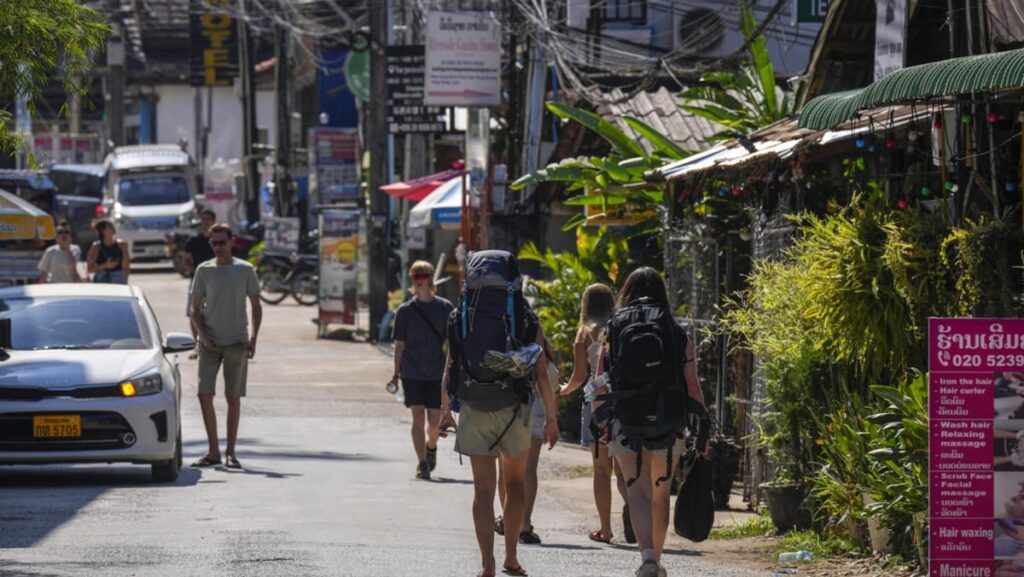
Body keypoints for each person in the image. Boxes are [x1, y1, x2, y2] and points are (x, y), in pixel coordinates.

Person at [441, 251, 559, 577]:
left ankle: (486, 564)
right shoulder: (524, 315)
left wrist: (444, 411)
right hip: (515, 407)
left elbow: (451, 365)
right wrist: (551, 418)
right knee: (516, 483)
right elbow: (541, 372)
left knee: (482, 490)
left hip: (474, 403)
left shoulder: (460, 315)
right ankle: (510, 556)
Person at [596, 267, 707, 577]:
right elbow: (692, 383)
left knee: (638, 492)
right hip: (669, 421)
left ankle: (646, 558)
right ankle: (656, 562)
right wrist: (702, 424)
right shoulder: (674, 329)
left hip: (625, 419)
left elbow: (599, 380)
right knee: (660, 494)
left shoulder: (614, 328)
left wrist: (600, 421)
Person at [557, 283, 632, 544]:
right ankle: (637, 512)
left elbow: (579, 377)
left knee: (601, 470)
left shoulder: (585, 333)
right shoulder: (618, 326)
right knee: (625, 470)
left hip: (597, 404)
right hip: (623, 404)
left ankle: (606, 529)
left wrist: (562, 391)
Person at [189, 223, 262, 470]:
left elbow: (256, 305)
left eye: (222, 242)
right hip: (209, 343)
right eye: (214, 243)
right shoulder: (204, 270)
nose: (218, 247)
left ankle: (231, 452)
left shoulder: (245, 270)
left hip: (236, 342)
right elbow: (194, 310)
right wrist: (202, 335)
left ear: (232, 242)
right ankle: (213, 452)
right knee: (204, 394)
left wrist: (254, 338)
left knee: (233, 397)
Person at [392, 260, 454, 480]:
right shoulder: (404, 311)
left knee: (434, 422)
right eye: (415, 277)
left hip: (437, 372)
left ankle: (432, 446)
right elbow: (399, 345)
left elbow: (453, 343)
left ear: (431, 279)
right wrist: (395, 373)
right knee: (417, 418)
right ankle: (422, 463)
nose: (419, 280)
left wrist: (453, 369)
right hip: (411, 372)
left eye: (423, 276)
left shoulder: (446, 308)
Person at [184, 209, 217, 359]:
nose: (205, 222)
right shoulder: (194, 241)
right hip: (197, 280)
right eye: (203, 219)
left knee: (216, 312)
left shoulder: (219, 241)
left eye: (208, 219)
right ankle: (198, 345)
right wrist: (194, 271)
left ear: (213, 221)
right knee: (194, 312)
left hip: (216, 281)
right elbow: (186, 260)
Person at [87, 219, 129, 284]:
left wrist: (125, 278)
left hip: (118, 278)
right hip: (102, 278)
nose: (113, 228)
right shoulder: (96, 247)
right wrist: (105, 266)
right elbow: (90, 269)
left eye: (112, 225)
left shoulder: (122, 245)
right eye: (109, 226)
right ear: (103, 231)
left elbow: (126, 265)